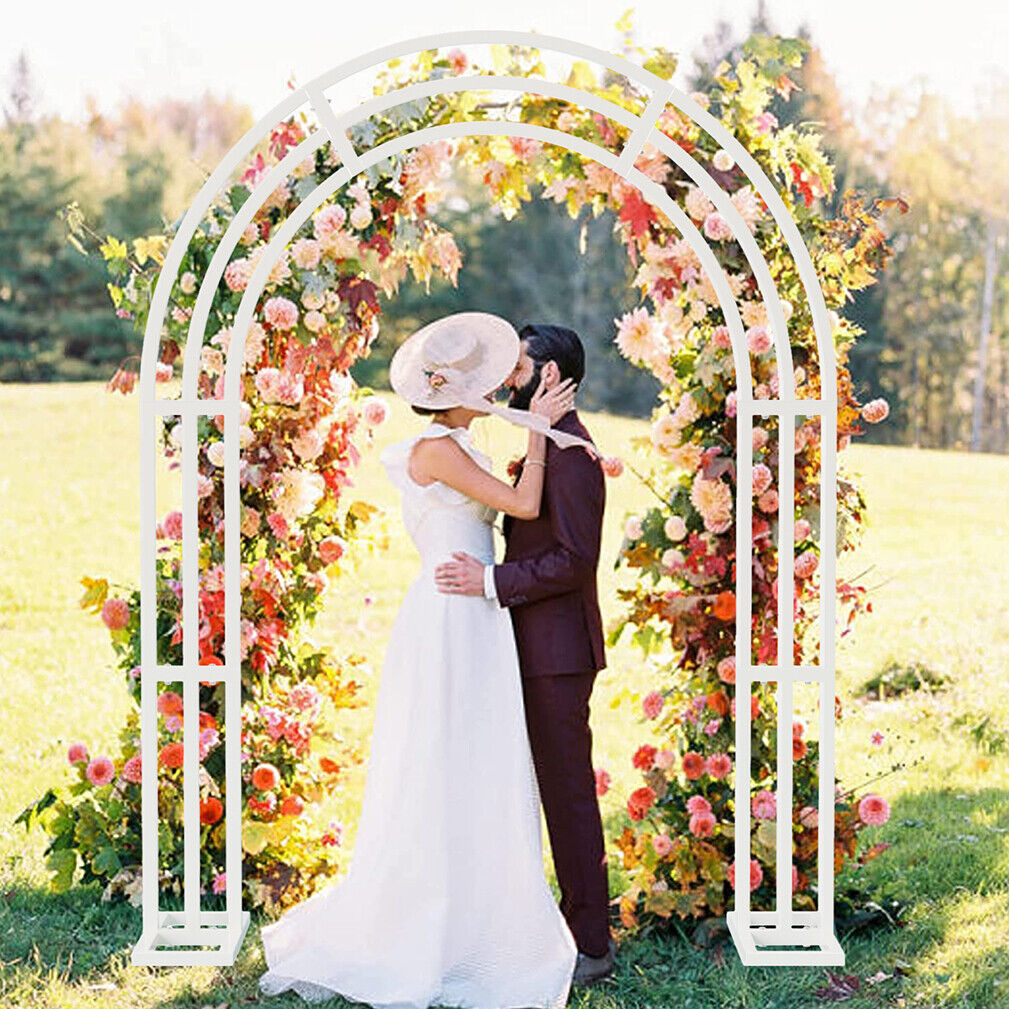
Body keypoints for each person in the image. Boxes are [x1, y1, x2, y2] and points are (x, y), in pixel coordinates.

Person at [258, 311, 589, 1008]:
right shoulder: (438, 448)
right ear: (454, 390)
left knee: (475, 758)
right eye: (488, 381)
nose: (499, 387)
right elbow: (525, 500)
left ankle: (475, 903)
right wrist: (536, 431)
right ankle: (432, 918)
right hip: (452, 613)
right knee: (443, 755)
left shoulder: (457, 441)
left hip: (473, 611)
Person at [434, 324, 615, 986]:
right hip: (533, 646)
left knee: (568, 795)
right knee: (542, 790)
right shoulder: (550, 448)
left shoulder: (571, 459)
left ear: (549, 378)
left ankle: (590, 942)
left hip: (557, 654)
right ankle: (548, 924)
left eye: (518, 367)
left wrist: (488, 583)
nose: (507, 378)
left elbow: (573, 560)